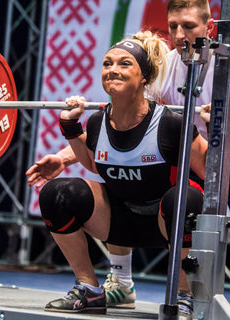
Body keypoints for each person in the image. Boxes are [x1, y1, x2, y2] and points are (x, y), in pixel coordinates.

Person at [104, 1, 230, 320]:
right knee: (123, 174)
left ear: (209, 27)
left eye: (189, 26)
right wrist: (67, 153)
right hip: (188, 159)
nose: (180, 34)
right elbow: (127, 118)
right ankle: (122, 281)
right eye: (174, 27)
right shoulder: (163, 67)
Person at [26, 31, 209, 315]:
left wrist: (222, 134)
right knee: (57, 194)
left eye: (124, 64)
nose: (113, 70)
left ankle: (183, 296)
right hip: (119, 222)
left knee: (186, 198)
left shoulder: (171, 125)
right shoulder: (97, 122)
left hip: (167, 224)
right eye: (107, 63)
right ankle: (89, 288)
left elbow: (210, 172)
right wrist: (70, 128)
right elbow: (92, 164)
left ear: (144, 77)